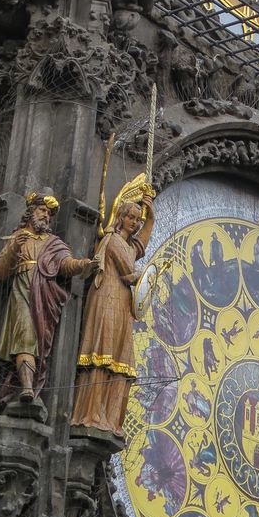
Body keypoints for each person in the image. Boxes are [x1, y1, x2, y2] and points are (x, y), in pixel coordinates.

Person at [71, 174, 156, 439]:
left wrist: (150, 219)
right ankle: (92, 414)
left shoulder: (127, 244)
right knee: (104, 353)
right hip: (108, 299)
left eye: (138, 220)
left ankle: (109, 417)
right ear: (120, 216)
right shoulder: (114, 241)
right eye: (132, 217)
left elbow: (139, 246)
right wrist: (147, 277)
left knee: (120, 359)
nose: (135, 223)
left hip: (120, 303)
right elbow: (130, 271)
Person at [0, 192, 96, 406]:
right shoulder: (18, 237)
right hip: (21, 294)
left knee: (38, 343)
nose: (46, 217)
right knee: (25, 338)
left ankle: (29, 386)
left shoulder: (54, 243)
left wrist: (83, 265)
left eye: (49, 214)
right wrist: (14, 248)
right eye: (43, 211)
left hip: (44, 300)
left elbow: (66, 264)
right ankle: (27, 389)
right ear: (31, 212)